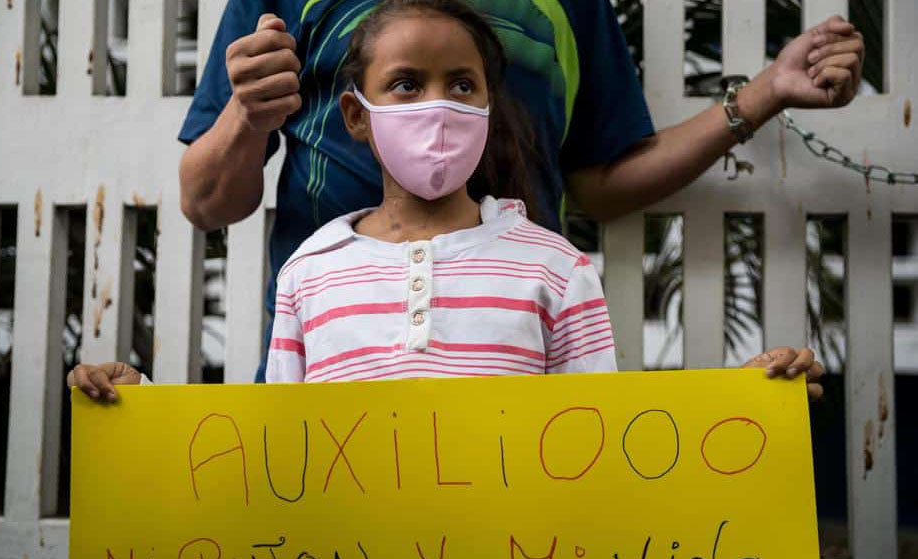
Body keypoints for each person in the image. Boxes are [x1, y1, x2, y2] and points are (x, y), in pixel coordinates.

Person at [68, 0, 824, 396]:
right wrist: (246, 112)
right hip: (335, 397)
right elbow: (205, 201)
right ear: (357, 111)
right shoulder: (308, 274)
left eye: (463, 86)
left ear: (489, 102)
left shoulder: (557, 273)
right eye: (405, 85)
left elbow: (597, 433)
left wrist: (763, 96)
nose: (437, 108)